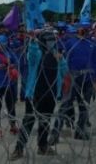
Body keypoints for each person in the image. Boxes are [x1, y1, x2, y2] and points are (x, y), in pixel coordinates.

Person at [10, 29, 66, 160]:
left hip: (50, 93)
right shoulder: (37, 54)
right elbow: (32, 54)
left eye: (53, 40)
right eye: (48, 40)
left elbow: (64, 72)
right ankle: (19, 149)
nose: (51, 43)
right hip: (35, 93)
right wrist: (33, 40)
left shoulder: (56, 55)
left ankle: (43, 146)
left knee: (45, 121)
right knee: (28, 121)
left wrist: (62, 60)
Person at [50, 21, 94, 143]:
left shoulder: (91, 43)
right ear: (78, 29)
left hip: (88, 77)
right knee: (65, 106)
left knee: (84, 107)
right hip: (72, 76)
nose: (86, 30)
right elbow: (57, 50)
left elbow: (94, 61)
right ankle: (55, 133)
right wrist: (58, 55)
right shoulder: (69, 42)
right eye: (84, 28)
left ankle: (80, 131)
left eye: (88, 28)